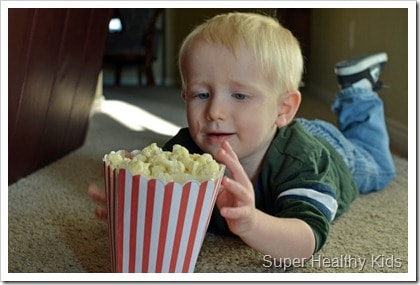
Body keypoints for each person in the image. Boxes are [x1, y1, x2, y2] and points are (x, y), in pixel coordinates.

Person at [88, 12, 396, 263]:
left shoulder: (303, 162)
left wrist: (253, 223)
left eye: (239, 95)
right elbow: (164, 204)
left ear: (283, 108)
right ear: (184, 96)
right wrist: (137, 198)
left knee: (380, 165)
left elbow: (307, 239)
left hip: (333, 150)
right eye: (201, 94)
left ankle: (359, 92)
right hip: (273, 127)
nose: (215, 111)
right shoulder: (186, 151)